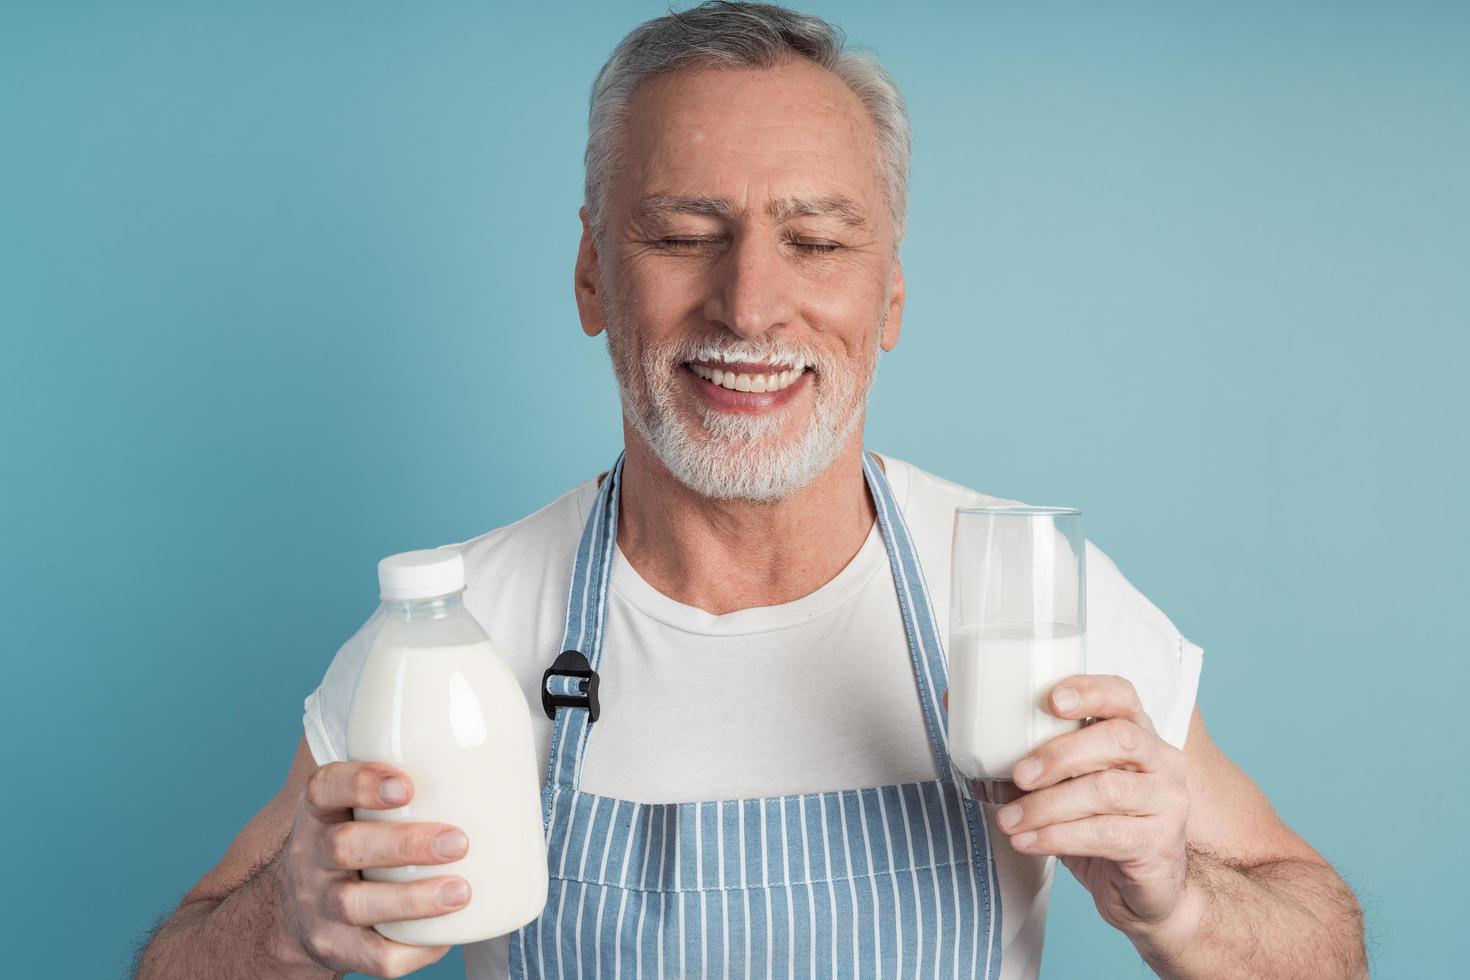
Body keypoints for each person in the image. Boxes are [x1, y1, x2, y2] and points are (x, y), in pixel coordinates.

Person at [135, 3, 1366, 978]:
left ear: (889, 297)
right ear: (589, 276)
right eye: (682, 232)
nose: (750, 306)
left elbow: (1327, 945)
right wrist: (288, 932)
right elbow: (182, 955)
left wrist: (1180, 900)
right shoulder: (457, 625)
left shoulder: (1023, 603)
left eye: (818, 241)